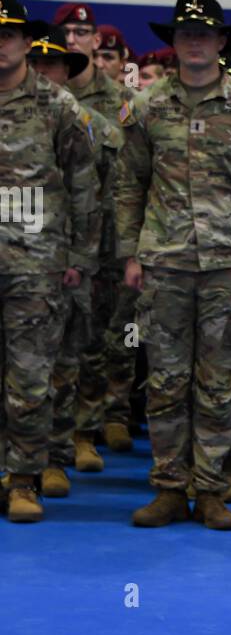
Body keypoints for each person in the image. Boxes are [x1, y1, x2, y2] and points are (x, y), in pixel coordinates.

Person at [114, 0, 231, 530]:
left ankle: (212, 487)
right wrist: (129, 253)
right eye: (185, 34)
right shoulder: (146, 108)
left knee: (219, 381)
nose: (194, 43)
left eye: (204, 34)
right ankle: (170, 487)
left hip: (229, 264)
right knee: (166, 380)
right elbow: (129, 184)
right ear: (174, 42)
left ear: (220, 42)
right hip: (164, 264)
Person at [0, 0, 99, 522]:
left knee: (30, 378)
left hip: (35, 264)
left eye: (9, 36)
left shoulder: (57, 107)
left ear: (24, 41)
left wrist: (80, 256)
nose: (1, 46)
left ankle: (23, 480)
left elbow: (85, 184)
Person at [25, 27, 124, 499]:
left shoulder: (86, 121)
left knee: (68, 357)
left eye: (54, 66)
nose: (46, 74)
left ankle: (61, 451)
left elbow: (103, 186)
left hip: (71, 255)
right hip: (19, 257)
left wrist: (88, 256)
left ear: (68, 71)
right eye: (38, 65)